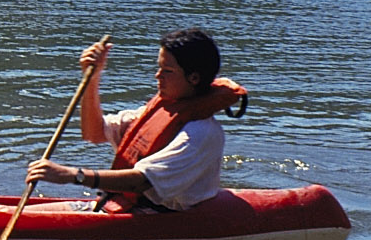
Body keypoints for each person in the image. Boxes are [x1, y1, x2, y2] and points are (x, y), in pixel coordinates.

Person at [27, 30, 245, 213]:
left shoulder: (201, 133)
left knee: (2, 214)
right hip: (120, 206)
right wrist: (92, 78)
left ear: (194, 78)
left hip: (161, 219)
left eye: (167, 71)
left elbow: (141, 180)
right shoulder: (159, 111)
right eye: (159, 68)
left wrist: (72, 175)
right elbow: (93, 133)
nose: (157, 76)